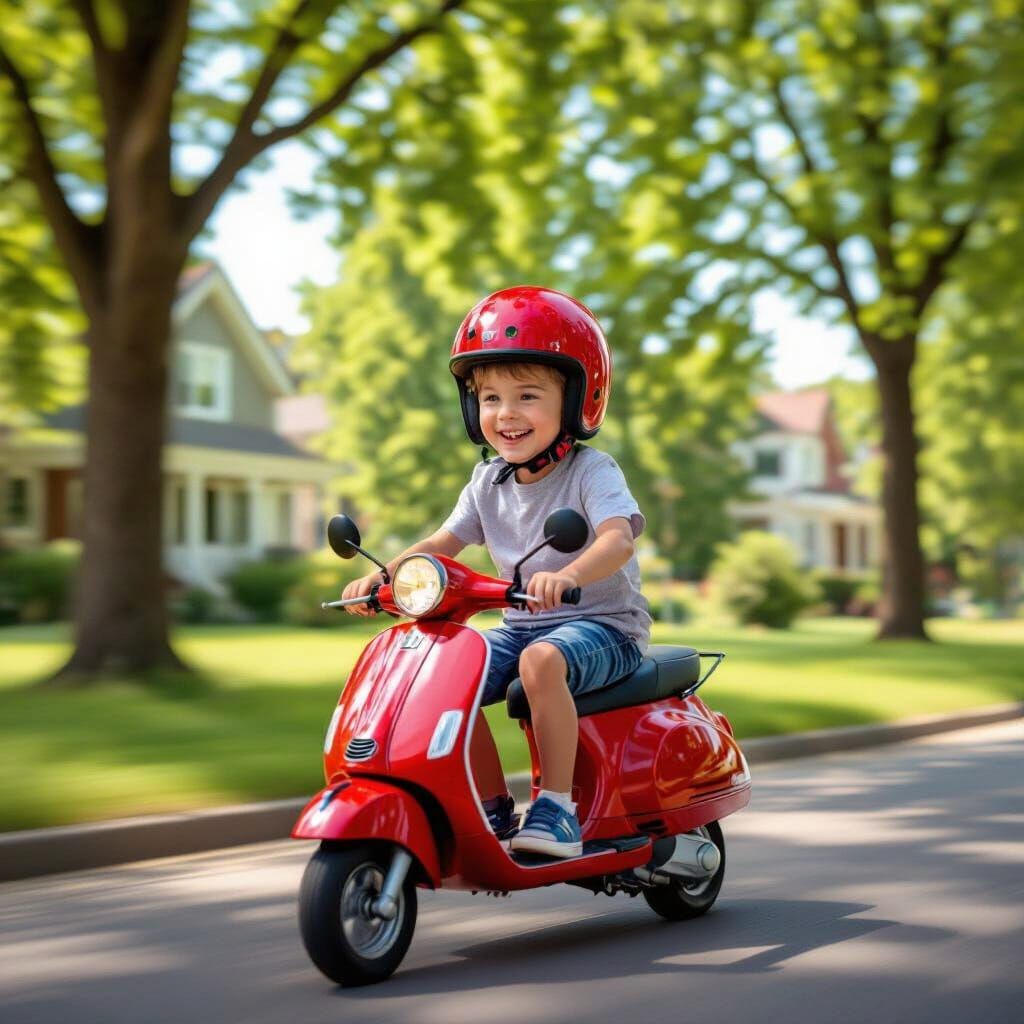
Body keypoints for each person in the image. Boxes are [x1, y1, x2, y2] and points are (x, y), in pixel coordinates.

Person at [340, 286, 652, 858]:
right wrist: (385, 576)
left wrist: (571, 574)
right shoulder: (487, 482)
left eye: (527, 395)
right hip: (524, 625)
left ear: (578, 399)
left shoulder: (592, 471)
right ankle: (491, 804)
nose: (505, 414)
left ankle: (557, 807)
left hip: (604, 626)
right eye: (489, 398)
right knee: (440, 675)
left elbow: (618, 539)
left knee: (540, 661)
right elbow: (442, 542)